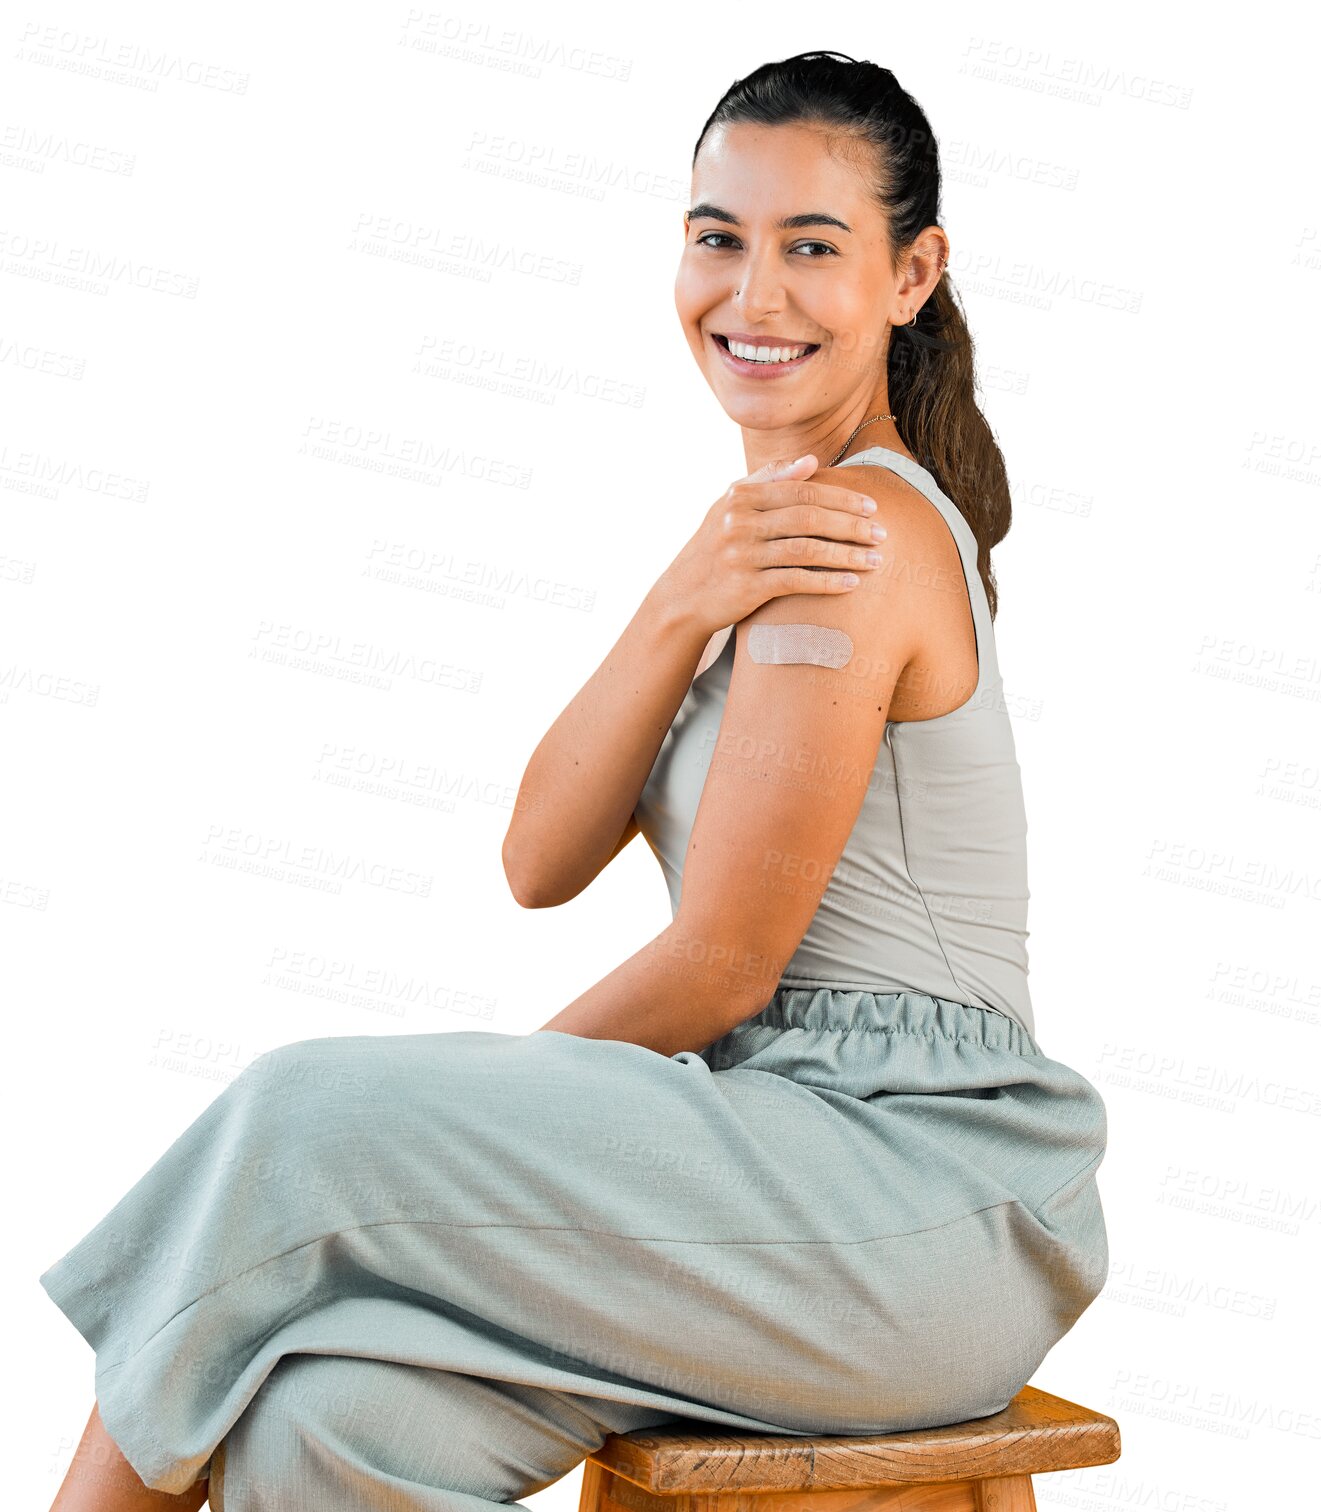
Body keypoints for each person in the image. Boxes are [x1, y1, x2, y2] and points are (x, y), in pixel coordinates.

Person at [38, 51, 1109, 1512]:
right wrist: (675, 604)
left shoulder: (852, 545)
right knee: (335, 1418)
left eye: (812, 246)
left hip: (915, 1200)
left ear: (911, 275)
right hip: (756, 1190)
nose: (754, 292)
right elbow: (538, 858)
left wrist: (463, 1137)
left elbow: (724, 964)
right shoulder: (756, 545)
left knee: (310, 1119)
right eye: (716, 235)